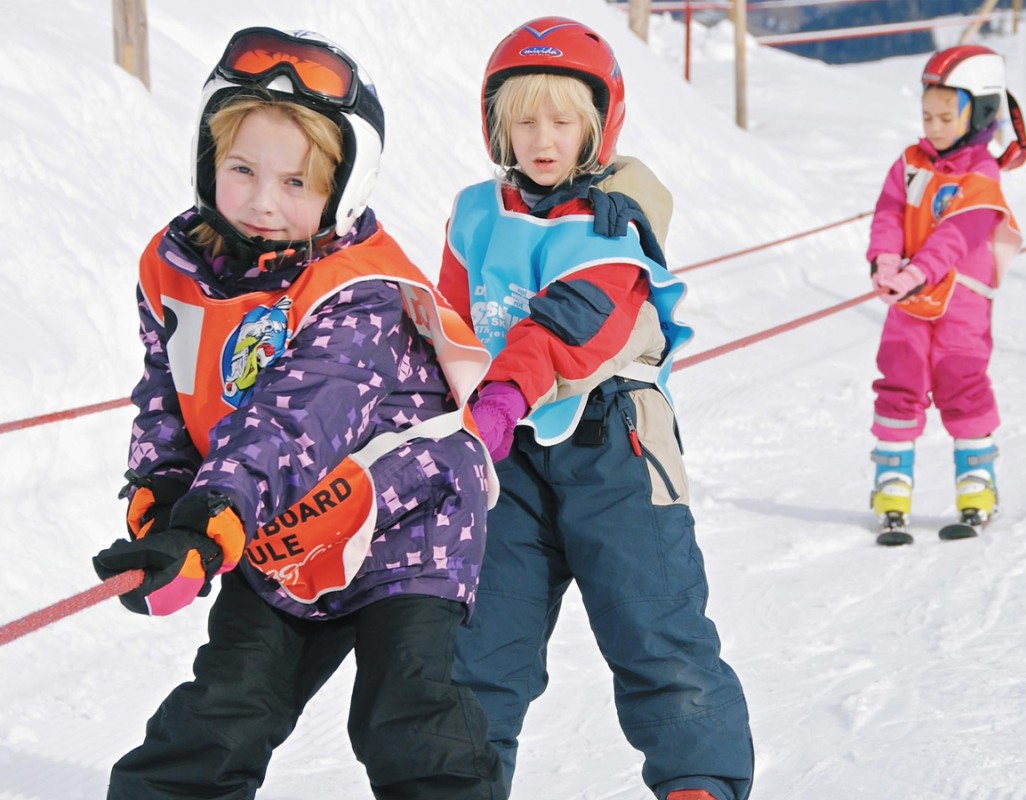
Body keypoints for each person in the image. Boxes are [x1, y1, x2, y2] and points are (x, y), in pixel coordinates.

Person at [92, 26, 508, 800]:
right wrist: (165, 489)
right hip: (279, 529)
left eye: (295, 183)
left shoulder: (359, 289)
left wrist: (212, 513)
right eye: (242, 169)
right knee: (226, 707)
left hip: (402, 523)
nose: (262, 201)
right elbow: (170, 387)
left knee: (406, 716)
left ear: (343, 191)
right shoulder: (177, 268)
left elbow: (296, 422)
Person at [437, 17, 754, 800]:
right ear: (496, 126)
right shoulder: (476, 213)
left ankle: (698, 782)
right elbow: (448, 322)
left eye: (563, 120)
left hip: (615, 445)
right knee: (479, 645)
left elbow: (577, 319)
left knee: (654, 626)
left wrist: (505, 394)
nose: (542, 139)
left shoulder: (612, 218)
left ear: (598, 125)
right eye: (524, 121)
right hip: (505, 457)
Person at [866, 44, 1023, 545]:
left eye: (945, 118)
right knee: (899, 375)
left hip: (960, 301)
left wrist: (916, 272)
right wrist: (884, 259)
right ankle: (892, 485)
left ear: (979, 114)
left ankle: (977, 484)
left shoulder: (981, 177)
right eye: (927, 116)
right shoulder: (910, 163)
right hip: (910, 298)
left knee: (961, 378)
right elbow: (889, 212)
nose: (932, 127)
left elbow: (957, 236)